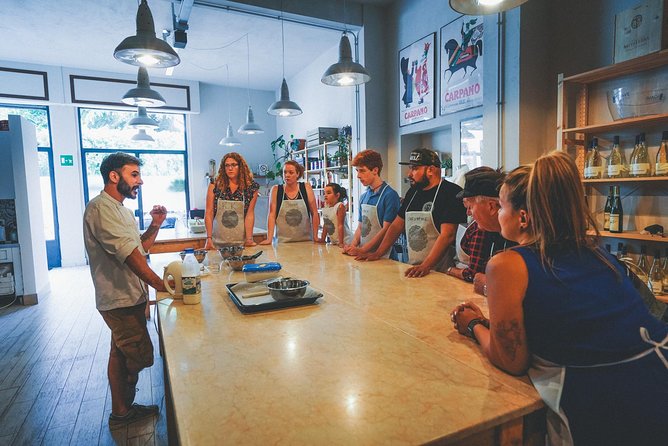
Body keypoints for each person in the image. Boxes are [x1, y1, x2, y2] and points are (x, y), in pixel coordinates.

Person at [451, 154, 668, 446]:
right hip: (657, 378)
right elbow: (571, 322)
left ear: (523, 217)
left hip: (601, 406)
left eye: (501, 206)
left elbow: (511, 359)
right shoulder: (596, 252)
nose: (498, 212)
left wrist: (474, 324)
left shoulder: (506, 265)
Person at [83, 152, 167, 427]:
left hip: (130, 296)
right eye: (134, 175)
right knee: (139, 357)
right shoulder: (100, 208)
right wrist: (164, 287)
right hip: (119, 299)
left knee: (119, 353)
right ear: (114, 176)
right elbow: (131, 256)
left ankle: (121, 410)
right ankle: (124, 411)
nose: (140, 181)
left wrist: (155, 224)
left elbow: (140, 248)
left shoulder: (121, 210)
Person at [357, 148, 467, 278]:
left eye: (414, 168)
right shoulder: (413, 192)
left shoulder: (450, 192)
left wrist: (426, 265)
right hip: (415, 267)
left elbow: (447, 235)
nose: (409, 174)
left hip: (441, 271)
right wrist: (378, 253)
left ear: (430, 170)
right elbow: (396, 225)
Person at [446, 168, 514, 290]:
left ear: (491, 206)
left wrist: (488, 285)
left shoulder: (519, 238)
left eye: (471, 207)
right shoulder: (492, 232)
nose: (468, 213)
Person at [343, 150, 401, 258]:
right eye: (357, 171)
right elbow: (360, 227)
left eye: (362, 171)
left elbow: (386, 230)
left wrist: (363, 250)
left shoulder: (390, 195)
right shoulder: (364, 197)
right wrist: (353, 246)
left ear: (375, 170)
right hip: (364, 254)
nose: (358, 176)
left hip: (384, 256)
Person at [205, 152, 260, 249]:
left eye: (234, 165)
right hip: (217, 243)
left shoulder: (251, 188)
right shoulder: (215, 185)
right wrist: (208, 238)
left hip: (241, 244)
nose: (230, 168)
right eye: (227, 165)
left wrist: (249, 239)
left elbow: (249, 214)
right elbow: (209, 212)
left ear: (241, 167)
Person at [261, 160, 319, 244]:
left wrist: (316, 236)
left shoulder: (306, 188)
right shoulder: (276, 190)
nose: (287, 175)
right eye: (285, 172)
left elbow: (314, 213)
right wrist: (269, 239)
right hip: (282, 242)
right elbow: (271, 215)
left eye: (291, 172)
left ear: (297, 174)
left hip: (306, 241)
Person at [317, 183, 352, 247]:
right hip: (334, 242)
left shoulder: (340, 206)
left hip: (345, 241)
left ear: (337, 195)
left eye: (328, 193)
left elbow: (340, 225)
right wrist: (322, 239)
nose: (325, 195)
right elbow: (326, 224)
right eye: (325, 193)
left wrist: (341, 243)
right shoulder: (326, 206)